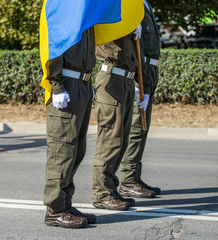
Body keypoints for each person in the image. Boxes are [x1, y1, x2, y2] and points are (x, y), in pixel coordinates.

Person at [43, 26, 97, 228]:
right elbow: (54, 43)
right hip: (66, 83)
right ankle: (55, 210)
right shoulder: (67, 6)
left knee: (77, 149)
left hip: (82, 82)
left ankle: (65, 203)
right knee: (62, 150)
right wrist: (55, 85)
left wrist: (87, 84)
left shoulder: (84, 9)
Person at [92, 25, 145, 210]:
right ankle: (102, 194)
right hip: (112, 79)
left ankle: (111, 190)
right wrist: (127, 25)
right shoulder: (109, 9)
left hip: (125, 80)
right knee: (110, 139)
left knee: (121, 140)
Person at [119, 0, 162, 199]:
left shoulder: (143, 3)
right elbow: (134, 44)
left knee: (143, 128)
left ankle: (134, 175)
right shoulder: (132, 3)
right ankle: (128, 180)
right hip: (141, 70)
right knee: (137, 126)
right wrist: (138, 80)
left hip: (150, 69)